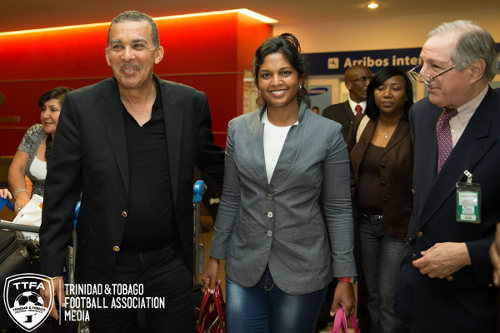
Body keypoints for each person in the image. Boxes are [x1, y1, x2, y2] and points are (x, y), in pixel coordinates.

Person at [39, 10, 224, 333]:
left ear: (158, 52)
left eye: (138, 45)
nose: (128, 56)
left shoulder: (190, 103)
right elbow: (60, 191)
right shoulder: (81, 107)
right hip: (106, 267)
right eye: (117, 47)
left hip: (170, 263)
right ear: (107, 55)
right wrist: (52, 269)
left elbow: (216, 167)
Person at [202, 33, 356, 333]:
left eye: (285, 72)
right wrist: (214, 257)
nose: (276, 82)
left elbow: (338, 208)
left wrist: (345, 277)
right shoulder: (239, 129)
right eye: (266, 75)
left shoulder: (328, 133)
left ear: (300, 77)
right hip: (244, 266)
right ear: (258, 81)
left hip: (304, 269)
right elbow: (232, 197)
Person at [395, 20, 499, 332]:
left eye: (435, 67)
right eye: (422, 63)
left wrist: (470, 254)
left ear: (475, 71)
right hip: (420, 287)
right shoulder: (422, 113)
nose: (423, 75)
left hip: (477, 296)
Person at [346, 67, 413, 333]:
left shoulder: (415, 128)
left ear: (407, 94)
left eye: (395, 88)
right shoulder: (363, 124)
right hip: (364, 224)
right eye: (381, 88)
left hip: (397, 227)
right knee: (371, 297)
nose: (387, 94)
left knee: (389, 298)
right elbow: (348, 166)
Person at [8, 87, 73, 213]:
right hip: (34, 213)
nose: (45, 115)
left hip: (70, 215)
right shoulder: (35, 133)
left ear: (69, 113)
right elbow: (17, 169)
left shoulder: (82, 139)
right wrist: (21, 195)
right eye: (43, 109)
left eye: (53, 110)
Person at [323, 65, 372, 140]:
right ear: (349, 85)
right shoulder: (331, 113)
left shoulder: (378, 112)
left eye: (370, 79)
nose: (368, 83)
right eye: (363, 79)